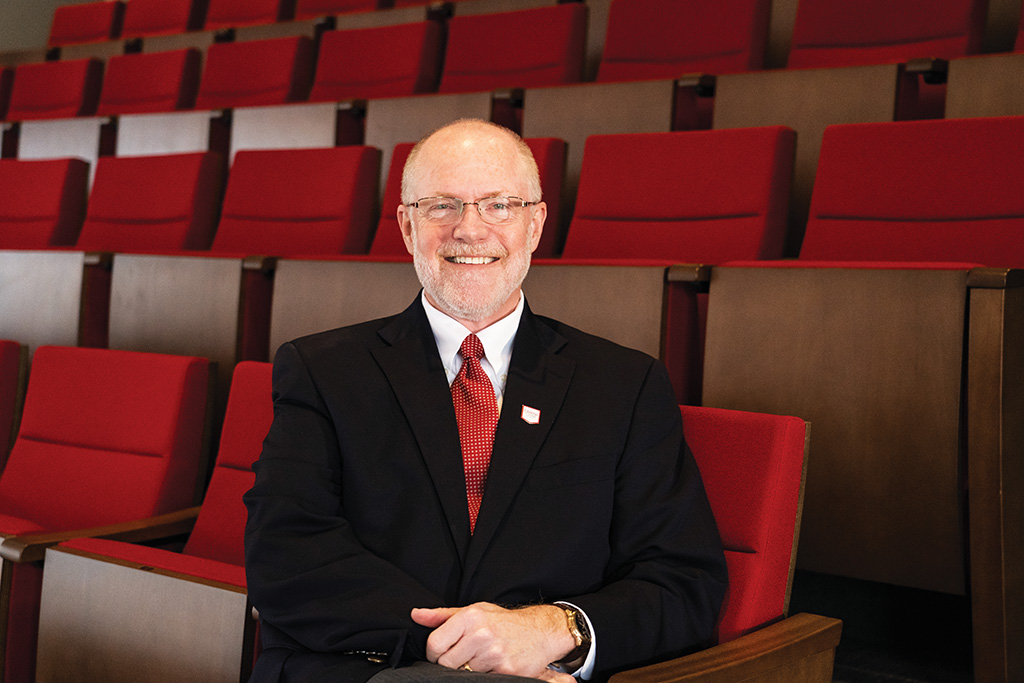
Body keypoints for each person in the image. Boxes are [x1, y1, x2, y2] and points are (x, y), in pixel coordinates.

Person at [243, 119, 727, 683]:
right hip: (369, 668)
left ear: (536, 223)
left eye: (499, 205)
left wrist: (554, 630)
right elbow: (286, 555)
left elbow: (684, 581)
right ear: (406, 225)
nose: (469, 230)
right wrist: (469, 647)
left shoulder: (624, 383)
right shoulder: (321, 370)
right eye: (441, 206)